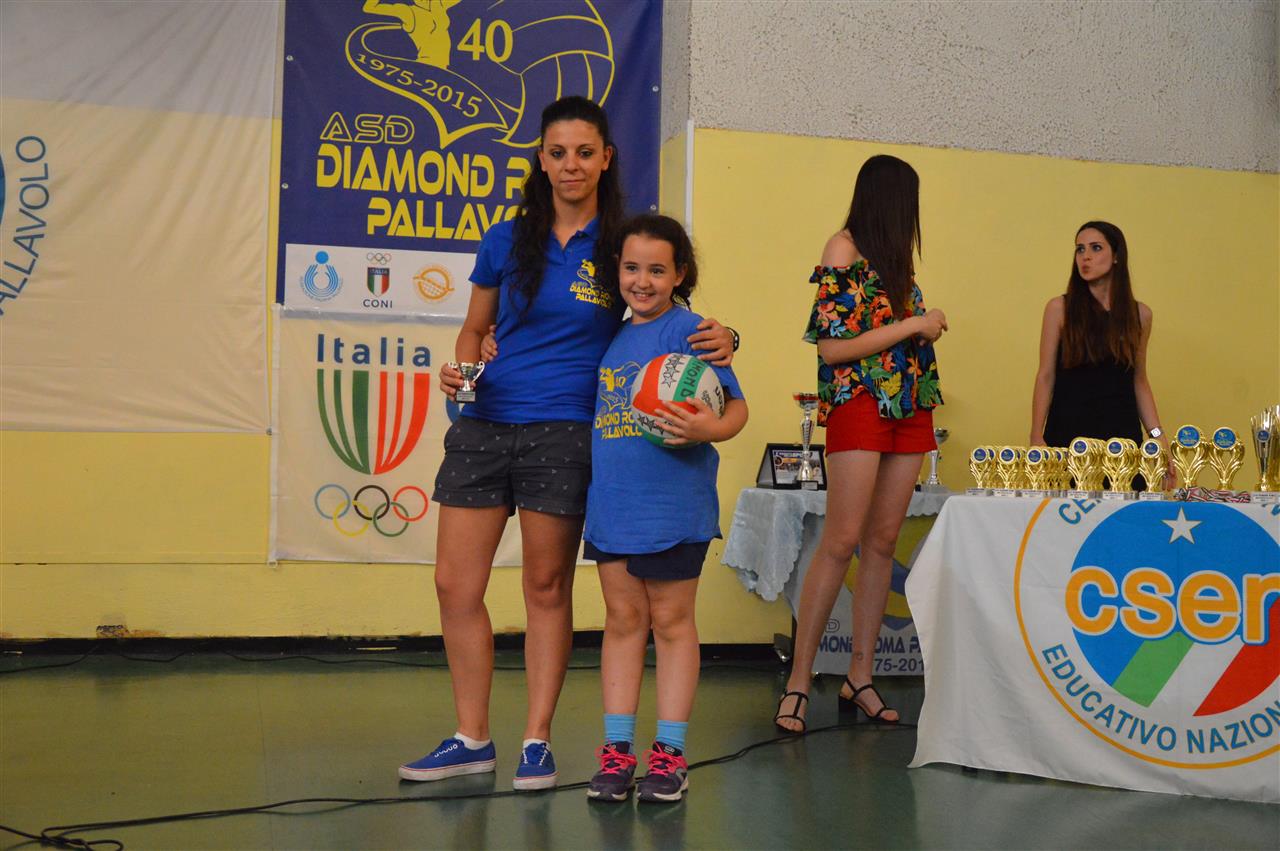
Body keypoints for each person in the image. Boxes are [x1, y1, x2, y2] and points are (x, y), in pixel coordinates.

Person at [398, 97, 735, 790]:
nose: (571, 165)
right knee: (453, 584)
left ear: (606, 158)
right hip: (485, 425)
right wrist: (462, 367)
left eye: (584, 152)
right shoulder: (505, 238)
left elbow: (665, 312)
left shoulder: (620, 246)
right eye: (557, 153)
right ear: (541, 159)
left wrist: (729, 339)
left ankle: (536, 742)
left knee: (545, 586)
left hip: (566, 431)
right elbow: (474, 329)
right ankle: (472, 737)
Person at [774, 155, 945, 733]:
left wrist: (922, 324)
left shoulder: (897, 261)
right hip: (860, 402)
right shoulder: (842, 248)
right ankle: (799, 682)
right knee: (842, 539)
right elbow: (833, 348)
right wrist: (916, 324)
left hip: (910, 402)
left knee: (883, 541)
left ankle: (860, 676)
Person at [581, 214, 748, 804]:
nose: (642, 281)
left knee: (672, 624)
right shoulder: (611, 334)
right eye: (632, 268)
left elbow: (735, 410)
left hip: (674, 508)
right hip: (613, 506)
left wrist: (708, 429)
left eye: (657, 270)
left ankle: (670, 756)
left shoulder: (693, 332)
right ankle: (616, 753)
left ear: (680, 274)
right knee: (623, 622)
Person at [1030, 221, 1171, 478]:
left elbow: (1139, 380)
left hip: (1122, 442)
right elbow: (1045, 376)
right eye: (1080, 249)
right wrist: (1036, 437)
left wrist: (1158, 437)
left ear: (1116, 256)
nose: (1085, 257)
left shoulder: (1140, 315)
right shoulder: (1059, 309)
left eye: (1096, 248)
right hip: (1067, 437)